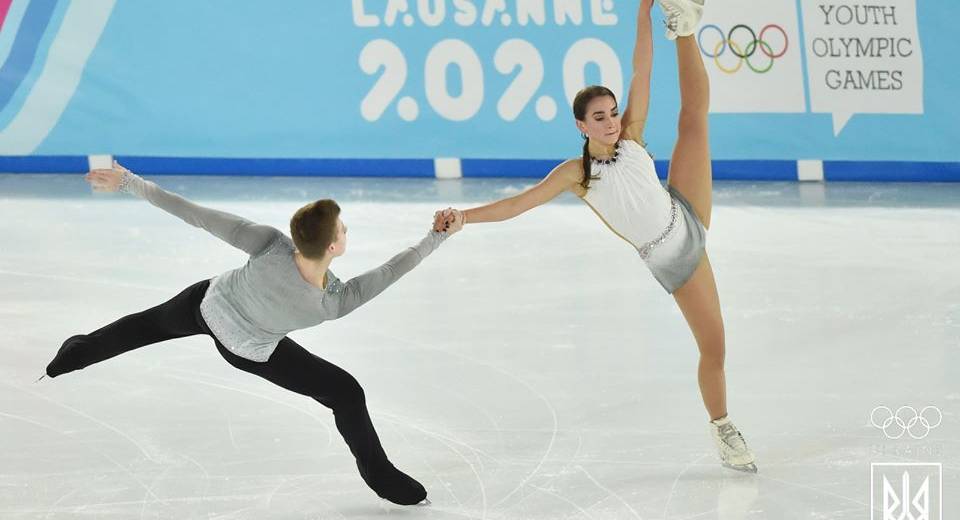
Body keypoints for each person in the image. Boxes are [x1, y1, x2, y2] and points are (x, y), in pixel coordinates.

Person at [434, 0, 756, 472]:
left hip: (683, 207)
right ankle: (722, 427)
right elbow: (515, 205)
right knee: (715, 348)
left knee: (694, 119)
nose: (611, 121)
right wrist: (464, 216)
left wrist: (644, 15)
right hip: (675, 258)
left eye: (612, 112)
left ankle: (683, 26)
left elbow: (640, 70)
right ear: (581, 126)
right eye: (600, 117)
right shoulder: (576, 175)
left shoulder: (633, 137)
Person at [45, 162, 464, 503]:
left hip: (204, 307)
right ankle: (383, 478)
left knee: (143, 326)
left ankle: (73, 356)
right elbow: (394, 268)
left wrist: (129, 182)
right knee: (346, 392)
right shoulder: (334, 301)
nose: (345, 232)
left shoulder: (270, 243)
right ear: (333, 248)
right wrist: (436, 238)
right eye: (343, 230)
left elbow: (194, 213)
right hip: (245, 350)